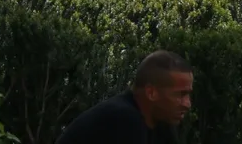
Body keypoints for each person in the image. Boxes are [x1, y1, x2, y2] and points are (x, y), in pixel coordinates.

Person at [55, 51, 193, 144]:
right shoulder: (125, 120)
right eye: (180, 95)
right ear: (151, 93)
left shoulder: (162, 124)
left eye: (188, 94)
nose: (187, 104)